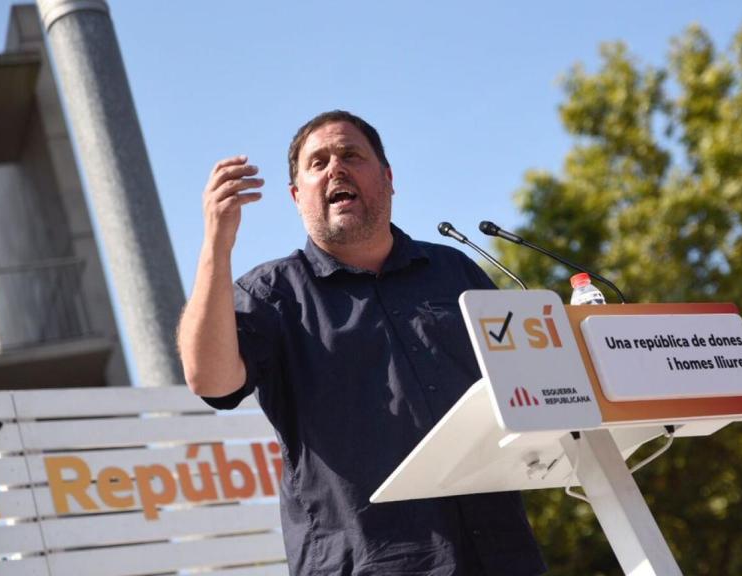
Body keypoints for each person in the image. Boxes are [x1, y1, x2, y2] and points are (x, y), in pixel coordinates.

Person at [177, 110, 546, 576]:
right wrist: (217, 244)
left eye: (352, 154)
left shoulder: (455, 272)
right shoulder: (271, 295)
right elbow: (210, 381)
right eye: (318, 162)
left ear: (389, 178)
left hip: (501, 556)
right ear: (296, 196)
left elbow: (527, 382)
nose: (336, 168)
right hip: (366, 563)